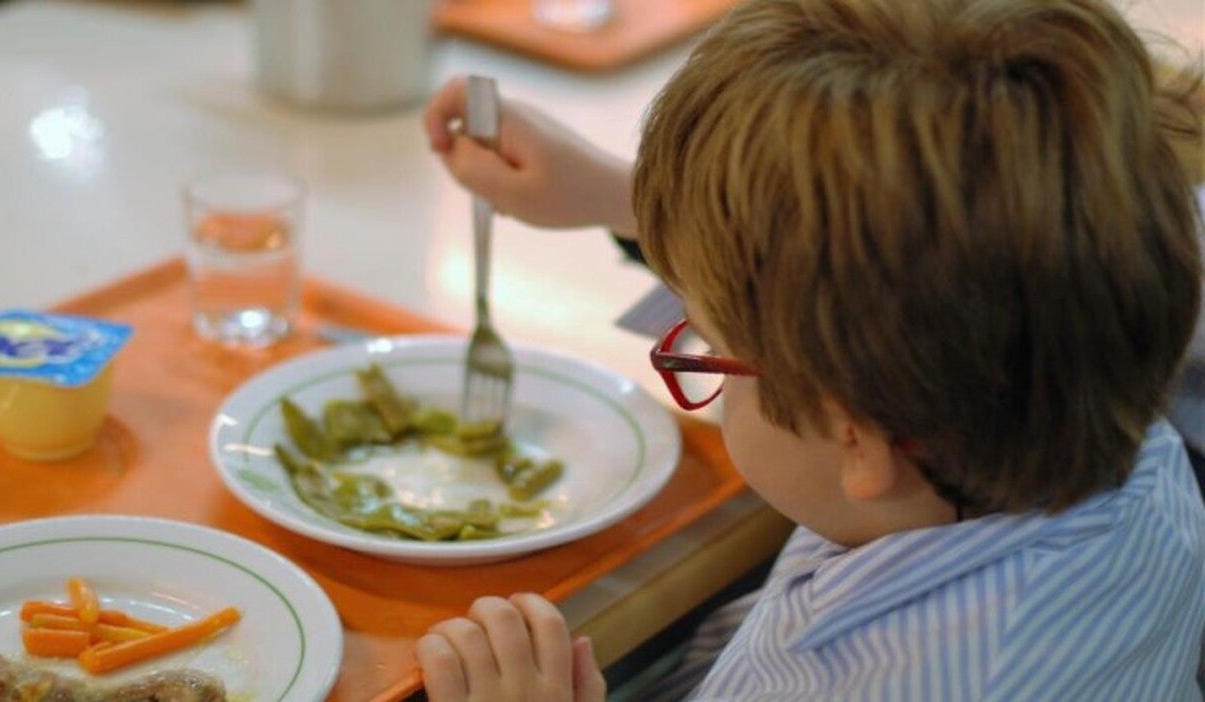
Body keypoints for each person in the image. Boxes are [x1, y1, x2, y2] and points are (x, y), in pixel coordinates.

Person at [414, 0, 1205, 699]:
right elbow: (947, 246)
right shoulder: (1105, 395)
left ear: (856, 440)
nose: (704, 356)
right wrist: (621, 195)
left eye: (709, 349)